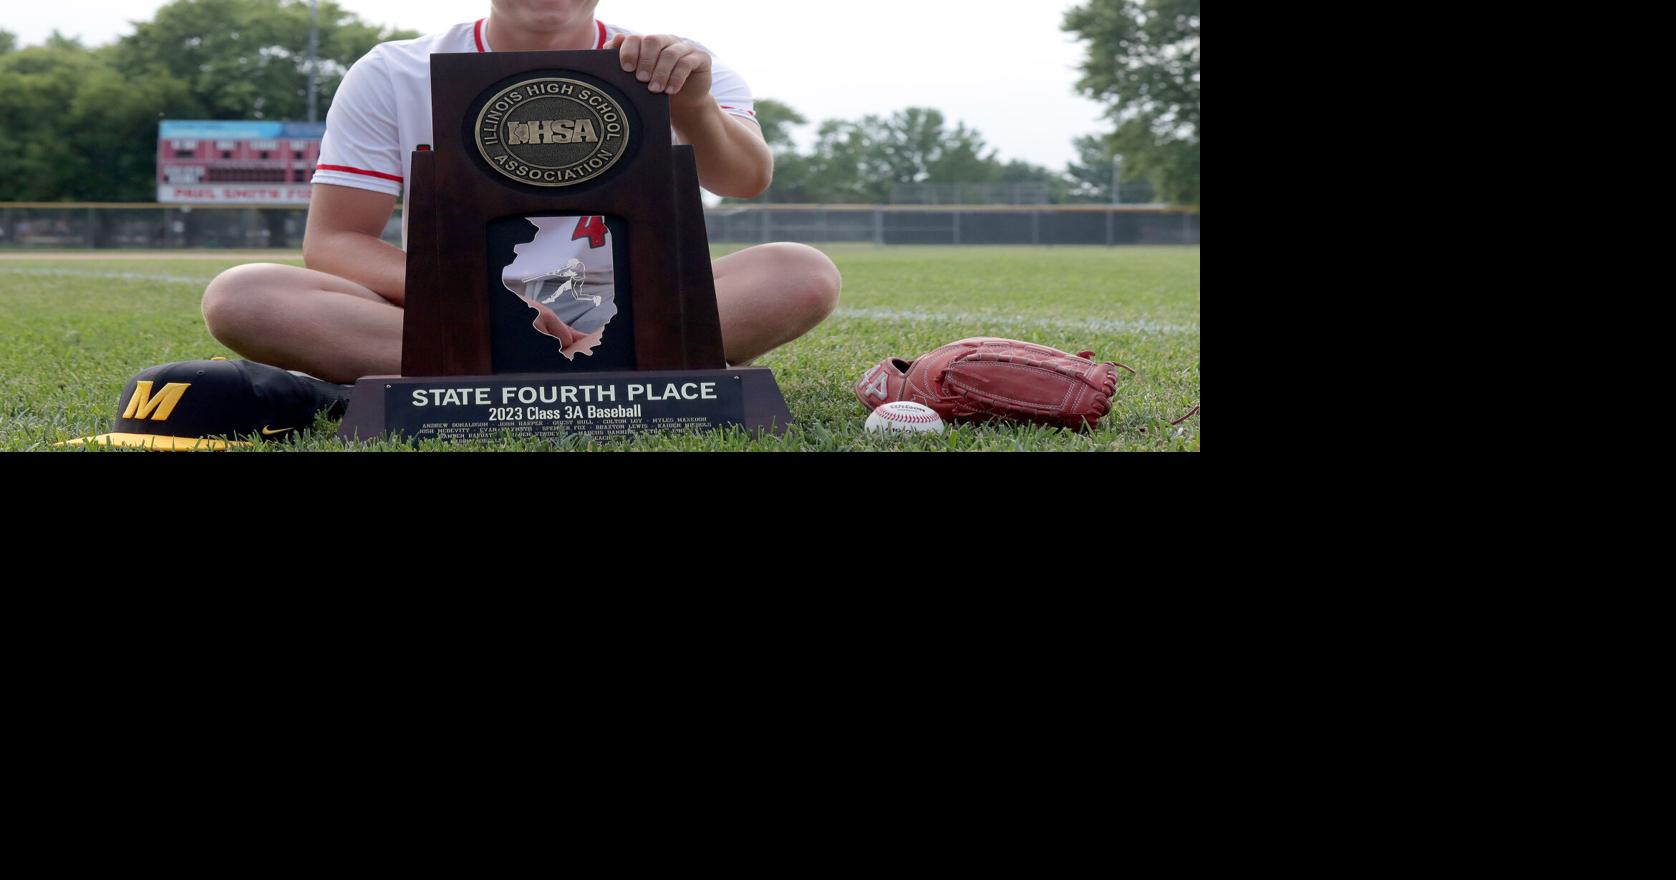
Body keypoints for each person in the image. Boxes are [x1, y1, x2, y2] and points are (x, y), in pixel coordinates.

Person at [201, 0, 841, 383]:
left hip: (632, 310)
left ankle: (450, 380)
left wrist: (693, 104)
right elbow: (336, 240)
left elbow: (744, 179)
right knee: (245, 297)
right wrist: (492, 300)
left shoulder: (676, 62)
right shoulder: (393, 70)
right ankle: (634, 372)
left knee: (800, 272)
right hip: (459, 311)